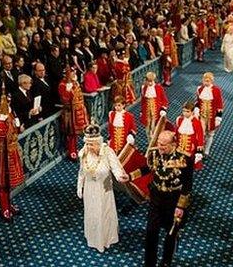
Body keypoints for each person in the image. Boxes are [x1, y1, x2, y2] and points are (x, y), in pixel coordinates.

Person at [127, 129, 193, 266]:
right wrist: (130, 176)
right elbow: (147, 168)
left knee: (171, 234)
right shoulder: (154, 153)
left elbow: (187, 184)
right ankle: (150, 263)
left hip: (173, 201)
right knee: (151, 231)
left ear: (173, 144)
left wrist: (180, 206)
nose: (160, 147)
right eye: (159, 143)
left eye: (163, 144)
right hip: (156, 199)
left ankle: (166, 262)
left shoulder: (185, 158)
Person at [76, 122, 129, 252]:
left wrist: (119, 177)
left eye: (91, 144)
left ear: (98, 142)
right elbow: (82, 171)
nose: (89, 146)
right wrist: (79, 187)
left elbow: (115, 167)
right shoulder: (84, 152)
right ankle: (93, 238)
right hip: (90, 188)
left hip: (104, 188)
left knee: (103, 212)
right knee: (92, 212)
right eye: (87, 143)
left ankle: (106, 239)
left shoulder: (107, 152)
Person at [0, 92, 25, 222]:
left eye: (8, 103)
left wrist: (18, 126)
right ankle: (5, 209)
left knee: (9, 183)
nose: (7, 105)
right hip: (1, 155)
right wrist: (2, 121)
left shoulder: (9, 114)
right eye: (4, 103)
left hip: (11, 151)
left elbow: (15, 128)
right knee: (2, 183)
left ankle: (9, 204)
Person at [58, 67, 89, 160]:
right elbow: (65, 99)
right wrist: (67, 90)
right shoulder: (62, 85)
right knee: (71, 134)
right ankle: (72, 152)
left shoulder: (75, 82)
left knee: (78, 133)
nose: (74, 73)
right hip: (70, 113)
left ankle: (77, 149)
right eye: (71, 72)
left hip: (79, 110)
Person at [195, 72, 224, 157]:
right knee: (201, 133)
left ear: (211, 81)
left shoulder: (216, 90)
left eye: (208, 81)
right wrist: (196, 109)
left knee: (210, 134)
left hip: (212, 117)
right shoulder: (200, 89)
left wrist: (218, 117)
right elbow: (197, 101)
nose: (206, 82)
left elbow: (220, 104)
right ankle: (200, 149)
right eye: (205, 81)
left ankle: (207, 150)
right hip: (202, 116)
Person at [176, 101, 205, 170]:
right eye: (183, 111)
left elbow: (200, 135)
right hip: (180, 143)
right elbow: (177, 131)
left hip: (191, 145)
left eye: (187, 111)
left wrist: (199, 149)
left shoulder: (196, 122)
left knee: (189, 162)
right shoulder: (179, 119)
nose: (185, 113)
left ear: (192, 112)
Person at [140, 72, 168, 140]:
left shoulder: (159, 88)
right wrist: (141, 111)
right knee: (147, 128)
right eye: (148, 81)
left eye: (151, 81)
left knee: (155, 127)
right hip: (146, 112)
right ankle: (149, 141)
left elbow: (165, 100)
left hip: (156, 111)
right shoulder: (144, 88)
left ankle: (154, 142)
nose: (150, 83)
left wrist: (163, 109)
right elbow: (143, 100)